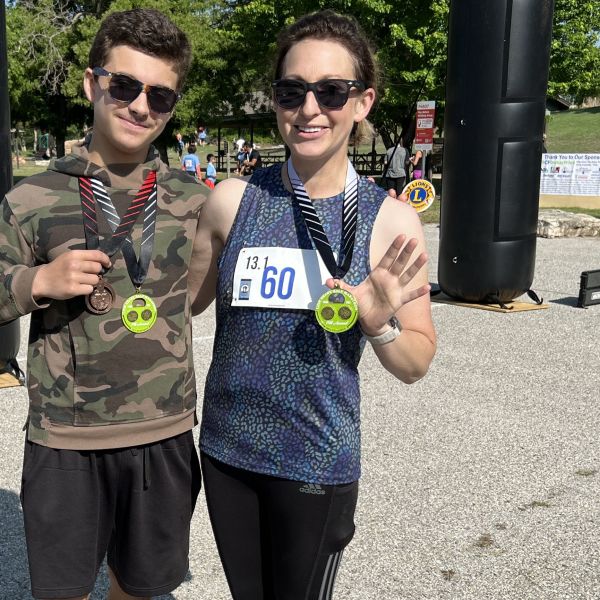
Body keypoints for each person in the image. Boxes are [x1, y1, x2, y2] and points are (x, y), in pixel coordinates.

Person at [189, 9, 436, 599]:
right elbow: (182, 305)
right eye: (291, 91)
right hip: (227, 452)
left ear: (363, 102)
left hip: (315, 461)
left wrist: (379, 324)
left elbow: (416, 362)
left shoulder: (391, 221)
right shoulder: (231, 201)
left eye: (331, 92)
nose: (310, 109)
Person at [0, 8, 206, 600]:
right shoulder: (33, 197)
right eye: (125, 85)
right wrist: (38, 280)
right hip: (66, 435)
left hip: (162, 431)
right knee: (61, 591)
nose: (141, 106)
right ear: (92, 83)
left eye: (160, 96)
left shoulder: (192, 199)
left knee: (141, 587)